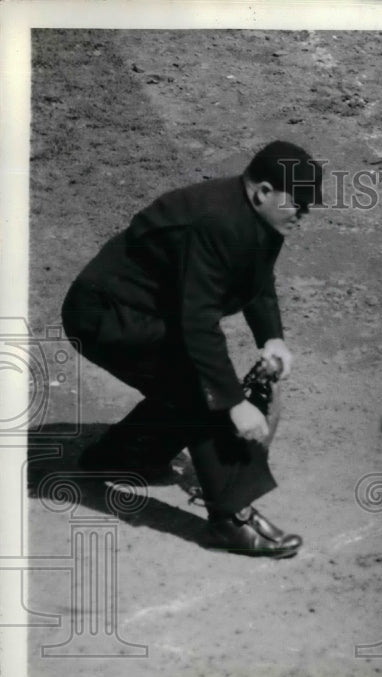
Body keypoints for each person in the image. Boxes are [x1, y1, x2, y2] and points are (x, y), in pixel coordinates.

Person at [61, 140, 323, 558]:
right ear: (263, 192)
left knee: (186, 383)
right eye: (299, 202)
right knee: (202, 392)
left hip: (144, 313)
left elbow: (255, 277)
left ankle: (118, 456)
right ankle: (229, 520)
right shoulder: (216, 221)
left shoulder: (261, 217)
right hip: (106, 314)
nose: (304, 213)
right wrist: (234, 402)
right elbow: (197, 323)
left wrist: (271, 337)